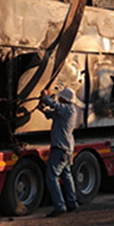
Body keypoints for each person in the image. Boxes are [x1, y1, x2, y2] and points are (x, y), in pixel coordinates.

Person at [38, 88, 79, 217]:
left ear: (65, 99)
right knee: (66, 175)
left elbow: (54, 105)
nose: (59, 98)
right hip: (66, 149)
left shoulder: (68, 109)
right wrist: (43, 109)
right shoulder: (66, 111)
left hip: (60, 148)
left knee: (51, 176)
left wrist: (45, 97)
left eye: (61, 97)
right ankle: (72, 202)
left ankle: (59, 205)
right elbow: (51, 113)